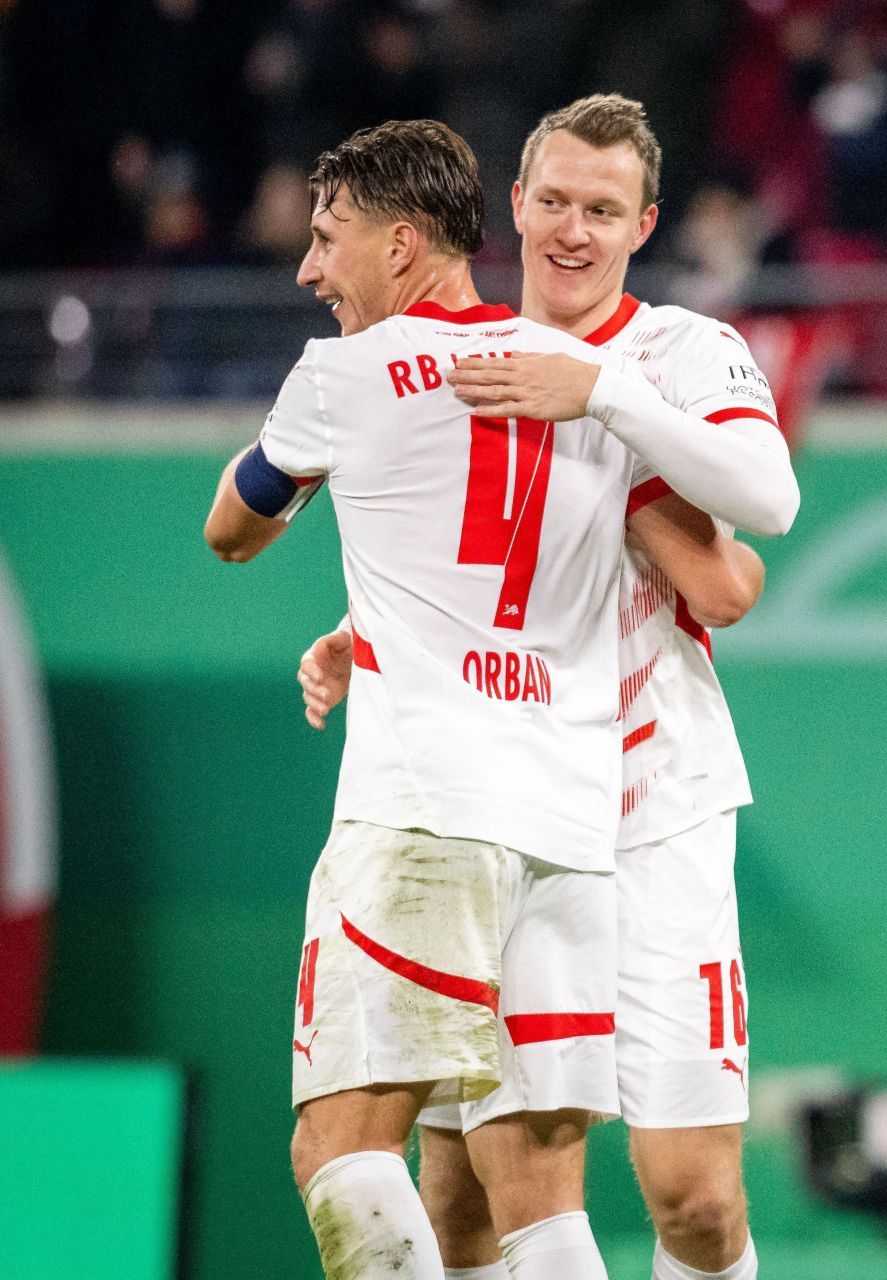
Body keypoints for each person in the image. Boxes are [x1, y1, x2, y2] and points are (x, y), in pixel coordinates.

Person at [296, 94, 796, 1280]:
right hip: (501, 811)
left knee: (696, 1198)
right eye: (557, 203)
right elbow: (463, 560)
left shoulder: (679, 350)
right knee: (468, 1189)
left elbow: (761, 516)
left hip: (657, 799)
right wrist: (357, 626)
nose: (575, 231)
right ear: (516, 205)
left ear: (644, 223)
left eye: (605, 211)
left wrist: (604, 395)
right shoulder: (455, 360)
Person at [203, 119, 637, 1280]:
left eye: (326, 237)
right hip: (571, 824)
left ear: (402, 246)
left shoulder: (338, 376)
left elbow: (231, 529)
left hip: (424, 809)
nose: (309, 270)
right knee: (522, 1200)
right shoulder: (578, 372)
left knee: (340, 1145)